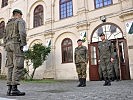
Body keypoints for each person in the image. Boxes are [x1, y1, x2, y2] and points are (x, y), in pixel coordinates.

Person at [3, 9, 27, 96]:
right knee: (18, 65)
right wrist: (23, 44)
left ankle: (9, 89)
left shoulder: (8, 24)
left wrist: (5, 44)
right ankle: (14, 89)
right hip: (16, 44)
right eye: (21, 15)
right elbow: (22, 32)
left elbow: (4, 35)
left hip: (8, 45)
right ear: (18, 14)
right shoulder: (20, 20)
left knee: (10, 66)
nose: (21, 16)